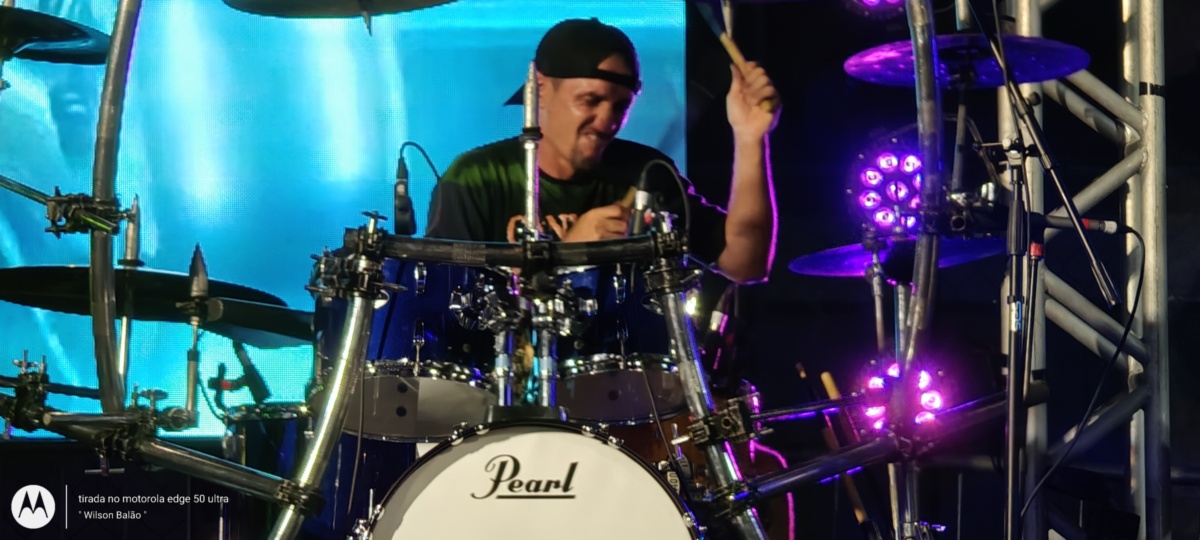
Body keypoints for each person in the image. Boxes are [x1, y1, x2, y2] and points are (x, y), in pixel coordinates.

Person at [425, 17, 778, 284]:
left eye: (621, 106)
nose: (607, 121)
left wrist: (750, 138)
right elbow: (439, 304)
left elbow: (746, 263)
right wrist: (569, 255)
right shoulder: (476, 179)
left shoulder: (647, 173)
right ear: (541, 90)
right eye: (590, 101)